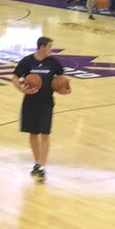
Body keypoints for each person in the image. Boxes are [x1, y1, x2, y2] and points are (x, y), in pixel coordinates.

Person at [13, 37, 71, 183]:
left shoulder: (54, 62)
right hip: (30, 102)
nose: (51, 49)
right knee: (34, 133)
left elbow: (61, 79)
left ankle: (42, 167)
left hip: (46, 102)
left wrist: (63, 90)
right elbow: (15, 77)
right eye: (50, 46)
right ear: (41, 47)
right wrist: (21, 89)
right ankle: (37, 162)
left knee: (45, 134)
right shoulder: (27, 61)